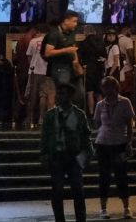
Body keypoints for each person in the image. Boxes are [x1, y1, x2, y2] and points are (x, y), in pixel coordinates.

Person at [40, 83, 93, 222]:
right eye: (58, 93)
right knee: (57, 191)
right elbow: (45, 137)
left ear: (70, 96)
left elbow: (86, 136)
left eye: (63, 93)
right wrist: (44, 155)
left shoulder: (78, 114)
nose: (59, 96)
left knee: (78, 191)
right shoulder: (50, 115)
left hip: (73, 157)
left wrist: (87, 155)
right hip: (56, 156)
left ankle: (81, 219)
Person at [93, 76, 134, 219]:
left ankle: (126, 207)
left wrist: (129, 142)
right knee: (104, 177)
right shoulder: (100, 105)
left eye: (108, 87)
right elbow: (97, 123)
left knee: (121, 176)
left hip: (119, 143)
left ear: (115, 88)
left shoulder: (125, 102)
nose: (106, 91)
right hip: (103, 143)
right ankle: (103, 208)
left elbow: (129, 124)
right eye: (104, 88)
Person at [26, 23, 55, 128]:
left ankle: (30, 118)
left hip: (34, 71)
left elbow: (29, 56)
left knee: (32, 96)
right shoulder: (50, 41)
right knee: (44, 95)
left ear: (38, 31)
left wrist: (32, 66)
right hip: (46, 71)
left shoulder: (33, 41)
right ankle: (42, 118)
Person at [45, 11, 82, 91]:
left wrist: (77, 62)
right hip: (60, 69)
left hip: (73, 68)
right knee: (64, 93)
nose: (76, 24)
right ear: (66, 21)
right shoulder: (54, 34)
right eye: (74, 21)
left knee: (80, 94)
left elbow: (73, 48)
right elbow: (48, 53)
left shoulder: (72, 32)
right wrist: (66, 50)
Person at [78, 26, 106, 117]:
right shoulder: (101, 42)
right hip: (99, 69)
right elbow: (104, 56)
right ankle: (101, 113)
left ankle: (91, 113)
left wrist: (83, 66)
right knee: (99, 92)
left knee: (90, 92)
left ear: (86, 32)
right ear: (94, 32)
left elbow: (79, 58)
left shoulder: (83, 43)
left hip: (89, 70)